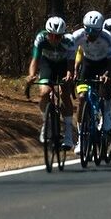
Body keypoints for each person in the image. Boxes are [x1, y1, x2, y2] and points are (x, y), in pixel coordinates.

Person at [70, 11, 111, 154]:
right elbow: (70, 55)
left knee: (105, 87)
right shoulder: (77, 36)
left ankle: (107, 111)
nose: (90, 34)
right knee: (82, 97)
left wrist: (107, 74)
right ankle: (80, 139)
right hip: (88, 65)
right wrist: (72, 71)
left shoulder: (107, 37)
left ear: (101, 29)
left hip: (104, 64)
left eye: (94, 31)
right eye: (87, 30)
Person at [27, 17, 76, 149]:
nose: (54, 39)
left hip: (63, 65)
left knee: (64, 93)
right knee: (44, 93)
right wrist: (32, 75)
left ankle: (68, 135)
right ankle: (46, 123)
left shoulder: (69, 41)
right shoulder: (41, 38)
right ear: (47, 33)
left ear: (63, 35)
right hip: (47, 64)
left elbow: (71, 65)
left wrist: (69, 74)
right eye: (51, 35)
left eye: (58, 36)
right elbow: (35, 60)